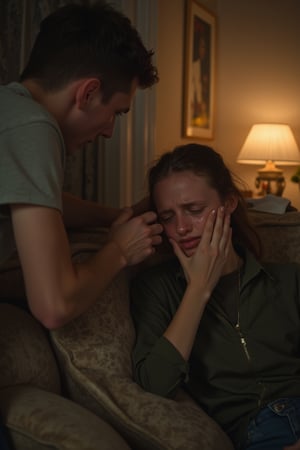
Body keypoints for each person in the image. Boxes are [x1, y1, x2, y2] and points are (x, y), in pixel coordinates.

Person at [0, 1, 163, 329]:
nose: (108, 132)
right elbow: (54, 306)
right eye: (116, 112)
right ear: (87, 93)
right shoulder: (33, 127)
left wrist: (117, 215)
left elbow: (42, 201)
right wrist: (119, 250)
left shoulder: (11, 113)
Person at [131, 143, 300, 450]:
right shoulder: (157, 288)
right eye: (168, 217)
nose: (181, 227)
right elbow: (154, 383)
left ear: (230, 203)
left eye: (194, 210)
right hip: (257, 431)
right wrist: (198, 290)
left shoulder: (289, 280)